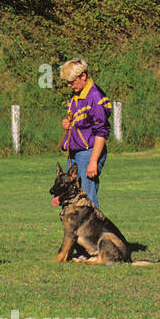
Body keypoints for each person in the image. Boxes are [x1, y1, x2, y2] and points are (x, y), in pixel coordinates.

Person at [59, 58, 110, 209]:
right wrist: (68, 124)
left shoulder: (96, 97)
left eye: (72, 81)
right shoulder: (77, 95)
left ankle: (95, 232)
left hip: (88, 152)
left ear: (83, 76)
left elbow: (101, 132)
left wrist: (93, 161)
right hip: (74, 152)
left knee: (86, 199)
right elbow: (81, 123)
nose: (69, 85)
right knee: (70, 197)